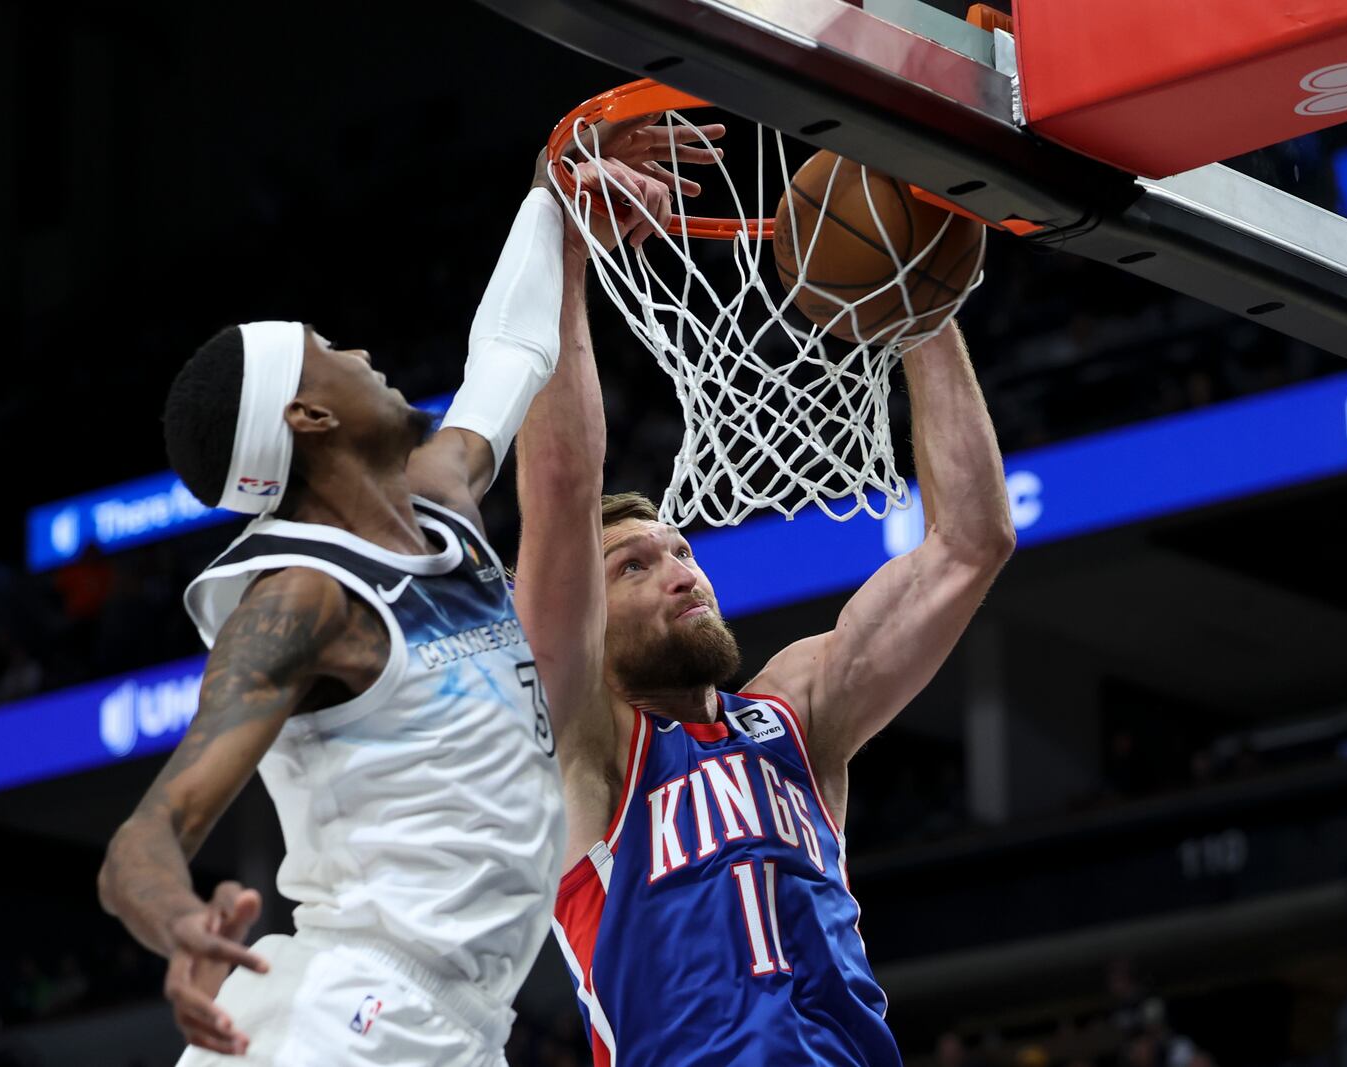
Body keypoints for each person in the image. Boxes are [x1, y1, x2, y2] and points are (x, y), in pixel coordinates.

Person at [96, 129, 689, 1066]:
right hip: (345, 1017)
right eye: (326, 349)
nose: (360, 348)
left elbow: (509, 354)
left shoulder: (441, 497)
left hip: (456, 1024)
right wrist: (180, 926)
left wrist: (551, 201)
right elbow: (146, 837)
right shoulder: (298, 599)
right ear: (310, 416)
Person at [515, 224, 1015, 1061]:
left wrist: (923, 309)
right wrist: (564, 245)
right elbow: (563, 482)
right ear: (586, 619)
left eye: (681, 550)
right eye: (633, 565)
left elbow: (971, 541)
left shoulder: (795, 715)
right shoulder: (589, 752)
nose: (682, 572)